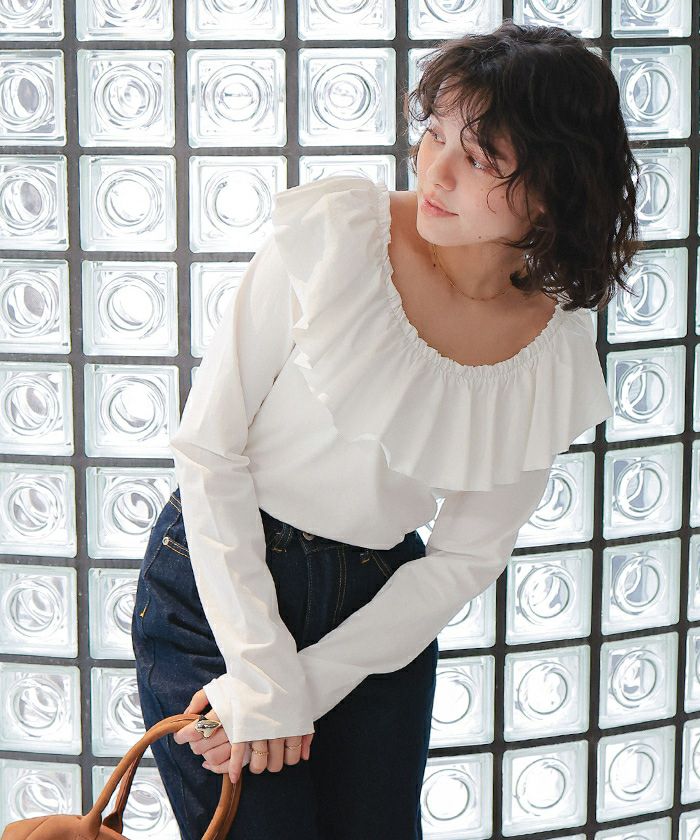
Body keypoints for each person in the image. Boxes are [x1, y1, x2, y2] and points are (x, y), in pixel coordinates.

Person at [132, 19, 640, 840]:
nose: (435, 171)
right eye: (434, 133)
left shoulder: (550, 352)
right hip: (221, 579)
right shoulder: (336, 236)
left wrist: (298, 688)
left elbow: (466, 557)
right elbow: (209, 449)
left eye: (480, 158)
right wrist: (260, 674)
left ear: (554, 187)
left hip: (378, 618)